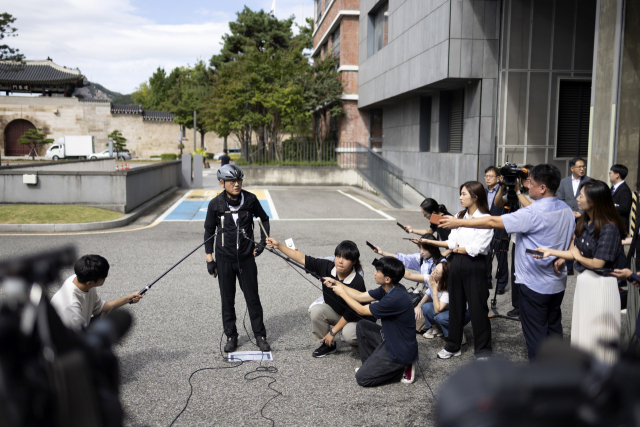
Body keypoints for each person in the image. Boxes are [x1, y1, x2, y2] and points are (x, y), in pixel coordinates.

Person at [440, 165, 575, 361]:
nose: (528, 186)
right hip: (557, 283)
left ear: (543, 188)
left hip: (533, 283)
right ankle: (556, 369)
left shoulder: (532, 213)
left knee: (535, 333)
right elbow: (571, 235)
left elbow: (493, 222)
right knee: (553, 326)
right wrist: (562, 256)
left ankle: (541, 377)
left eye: (531, 183)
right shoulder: (566, 209)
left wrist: (458, 222)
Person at [535, 180, 627, 363]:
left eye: (581, 196)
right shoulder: (585, 221)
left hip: (601, 285)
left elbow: (598, 262)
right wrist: (551, 252)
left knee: (599, 335)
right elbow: (575, 252)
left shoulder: (609, 227)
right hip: (585, 282)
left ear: (593, 200)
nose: (577, 198)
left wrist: (576, 256)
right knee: (583, 331)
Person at [419, 181, 494, 359]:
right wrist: (432, 242)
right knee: (456, 306)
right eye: (460, 194)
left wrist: (458, 248)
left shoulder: (485, 217)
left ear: (475, 197)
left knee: (478, 308)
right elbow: (452, 241)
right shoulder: (460, 215)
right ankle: (453, 346)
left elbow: (478, 247)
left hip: (475, 264)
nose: (460, 197)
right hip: (457, 263)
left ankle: (483, 350)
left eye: (464, 194)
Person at [265, 238, 373, 358]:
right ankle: (328, 345)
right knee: (316, 310)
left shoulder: (357, 281)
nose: (340, 261)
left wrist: (332, 332)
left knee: (348, 333)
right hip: (340, 314)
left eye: (346, 258)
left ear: (354, 262)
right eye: (338, 256)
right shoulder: (326, 266)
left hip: (356, 319)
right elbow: (302, 258)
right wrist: (278, 245)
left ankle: (368, 351)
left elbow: (350, 313)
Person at [204, 164, 271, 353]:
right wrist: (210, 259)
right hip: (224, 260)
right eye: (232, 181)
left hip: (246, 258)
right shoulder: (215, 204)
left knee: (253, 298)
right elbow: (209, 231)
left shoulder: (250, 199)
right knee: (227, 300)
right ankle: (231, 336)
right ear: (221, 183)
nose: (236, 184)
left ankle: (260, 335)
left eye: (239, 180)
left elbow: (263, 218)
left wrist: (262, 242)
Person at [323, 257, 419, 386]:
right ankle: (372, 367)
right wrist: (337, 283)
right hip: (390, 339)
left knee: (362, 378)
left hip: (399, 349)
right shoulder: (389, 288)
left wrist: (342, 294)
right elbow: (360, 296)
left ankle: (400, 370)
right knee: (362, 325)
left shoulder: (395, 298)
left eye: (378, 271)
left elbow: (361, 310)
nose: (374, 273)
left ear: (387, 279)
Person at [50, 255, 142, 331]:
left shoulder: (81, 279)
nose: (105, 279)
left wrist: (128, 298)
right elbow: (81, 337)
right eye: (103, 278)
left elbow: (101, 308)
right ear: (90, 282)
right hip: (66, 342)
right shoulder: (70, 305)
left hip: (80, 328)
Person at [493, 164, 534, 316]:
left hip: (532, 240)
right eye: (524, 179)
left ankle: (529, 304)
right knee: (516, 271)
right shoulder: (516, 192)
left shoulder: (536, 196)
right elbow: (498, 203)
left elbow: (531, 209)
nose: (525, 182)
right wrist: (502, 187)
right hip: (517, 240)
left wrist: (517, 192)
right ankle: (517, 305)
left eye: (528, 179)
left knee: (529, 272)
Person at [416, 261, 471, 342]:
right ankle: (437, 329)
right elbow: (427, 292)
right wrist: (419, 305)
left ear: (443, 277)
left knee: (440, 317)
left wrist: (434, 289)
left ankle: (457, 336)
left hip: (463, 314)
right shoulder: (436, 280)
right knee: (426, 307)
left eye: (436, 272)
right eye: (434, 269)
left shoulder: (448, 289)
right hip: (448, 309)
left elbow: (437, 310)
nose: (433, 272)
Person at [557, 157, 591, 275]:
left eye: (583, 166)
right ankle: (569, 266)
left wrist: (580, 213)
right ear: (572, 168)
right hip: (568, 216)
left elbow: (591, 200)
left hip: (583, 216)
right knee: (568, 239)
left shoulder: (589, 181)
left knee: (583, 239)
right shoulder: (564, 181)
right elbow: (560, 199)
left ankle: (584, 263)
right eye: (579, 167)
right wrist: (568, 212)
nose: (582, 169)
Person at [484, 166, 508, 293]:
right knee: (486, 254)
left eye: (490, 176)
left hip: (499, 226)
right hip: (486, 227)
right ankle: (487, 279)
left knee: (501, 255)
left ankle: (502, 283)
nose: (487, 178)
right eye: (486, 176)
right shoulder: (483, 192)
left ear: (498, 178)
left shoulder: (504, 192)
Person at [609, 164, 632, 230]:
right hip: (611, 224)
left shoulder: (624, 189)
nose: (610, 175)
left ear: (617, 175)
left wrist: (610, 206)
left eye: (611, 173)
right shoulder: (613, 188)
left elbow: (625, 208)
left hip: (619, 226)